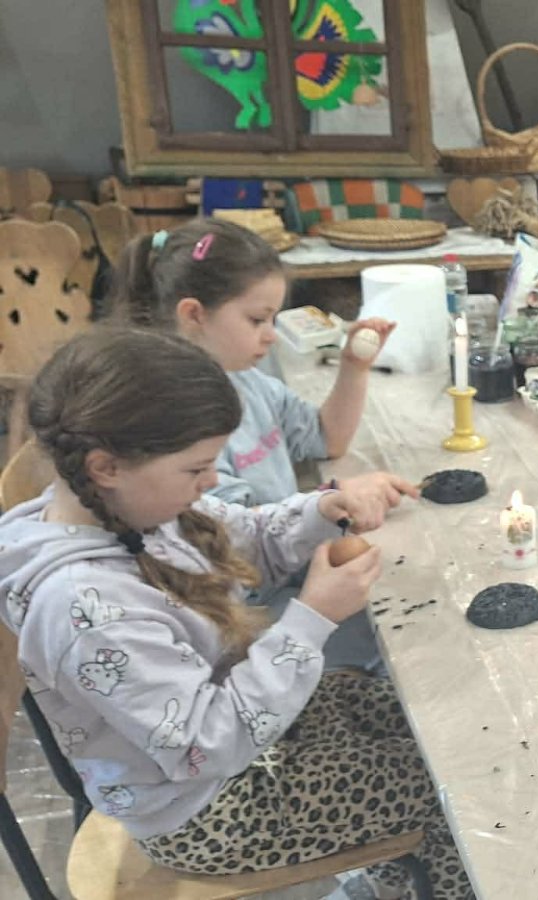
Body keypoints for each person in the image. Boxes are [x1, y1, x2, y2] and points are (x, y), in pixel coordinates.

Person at [0, 330, 474, 897]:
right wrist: (312, 618)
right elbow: (208, 743)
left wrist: (323, 509)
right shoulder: (87, 610)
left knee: (427, 724)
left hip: (236, 736)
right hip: (207, 811)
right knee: (452, 788)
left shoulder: (140, 507)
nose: (212, 482)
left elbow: (247, 540)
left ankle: (394, 882)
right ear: (105, 467)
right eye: (197, 469)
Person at [111, 220, 414, 671]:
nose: (271, 334)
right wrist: (331, 497)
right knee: (402, 644)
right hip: (245, 615)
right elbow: (223, 536)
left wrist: (353, 366)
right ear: (194, 314)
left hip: (280, 566)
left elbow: (326, 438)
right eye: (257, 319)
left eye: (273, 318)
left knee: (405, 596)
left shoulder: (248, 382)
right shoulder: (173, 426)